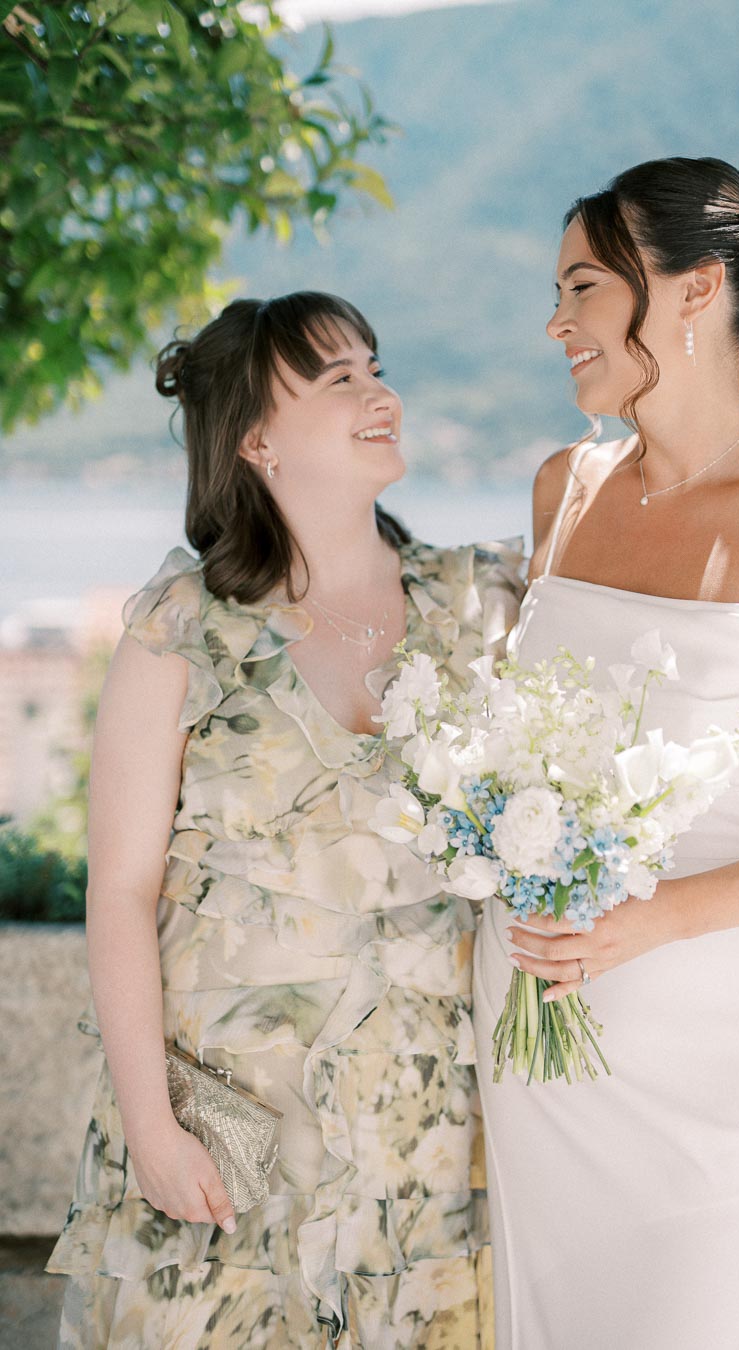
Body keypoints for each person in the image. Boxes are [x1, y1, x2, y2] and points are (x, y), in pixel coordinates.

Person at [472, 157, 739, 1349]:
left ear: (697, 289)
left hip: (721, 1041)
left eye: (585, 288)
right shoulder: (564, 486)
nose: (556, 323)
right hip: (539, 1015)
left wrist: (656, 920)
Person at [47, 291, 522, 1348]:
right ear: (256, 438)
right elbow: (119, 889)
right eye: (337, 377)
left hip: (421, 1142)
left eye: (375, 365)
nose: (378, 392)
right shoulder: (180, 626)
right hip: (225, 1133)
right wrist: (151, 1127)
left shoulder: (478, 603)